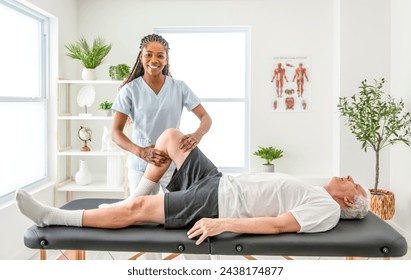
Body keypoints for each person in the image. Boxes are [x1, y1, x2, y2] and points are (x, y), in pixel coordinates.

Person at [16, 128, 370, 246]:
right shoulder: (320, 194)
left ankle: (54, 218)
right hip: (219, 181)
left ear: (349, 199)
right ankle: (134, 199)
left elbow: (278, 225)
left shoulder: (326, 209)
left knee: (139, 213)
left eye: (354, 182)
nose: (348, 176)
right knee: (171, 137)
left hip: (218, 204)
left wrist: (223, 223)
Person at [113, 33, 212, 197]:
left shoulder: (179, 87)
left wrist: (197, 135)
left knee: (176, 214)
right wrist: (141, 152)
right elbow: (116, 133)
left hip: (172, 166)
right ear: (141, 57)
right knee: (139, 214)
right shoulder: (129, 90)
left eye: (160, 56)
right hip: (141, 166)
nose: (154, 60)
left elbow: (205, 118)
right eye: (148, 55)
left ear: (166, 60)